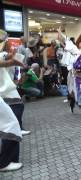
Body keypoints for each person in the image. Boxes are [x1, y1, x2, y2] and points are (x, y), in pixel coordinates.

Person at [0, 29, 24, 171]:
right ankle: (4, 163)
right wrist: (10, 62)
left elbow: (6, 57)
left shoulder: (3, 53)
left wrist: (11, 58)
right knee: (11, 124)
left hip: (5, 91)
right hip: (5, 91)